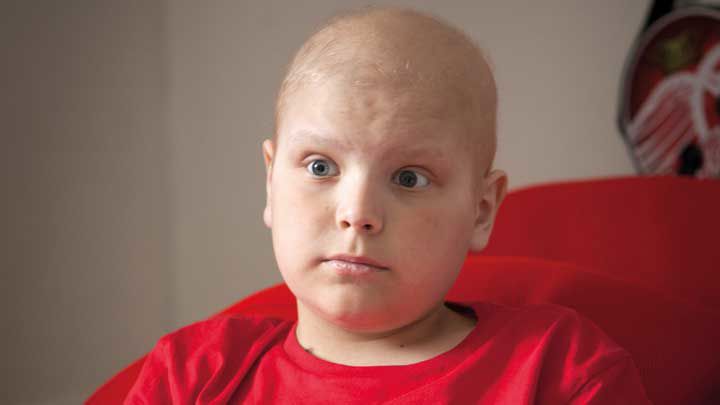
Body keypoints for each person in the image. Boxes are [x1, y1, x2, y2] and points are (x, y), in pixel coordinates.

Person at [124, 6, 651, 404]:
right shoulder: (192, 374)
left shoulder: (559, 370)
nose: (357, 213)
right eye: (320, 167)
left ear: (481, 210)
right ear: (270, 183)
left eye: (408, 177)